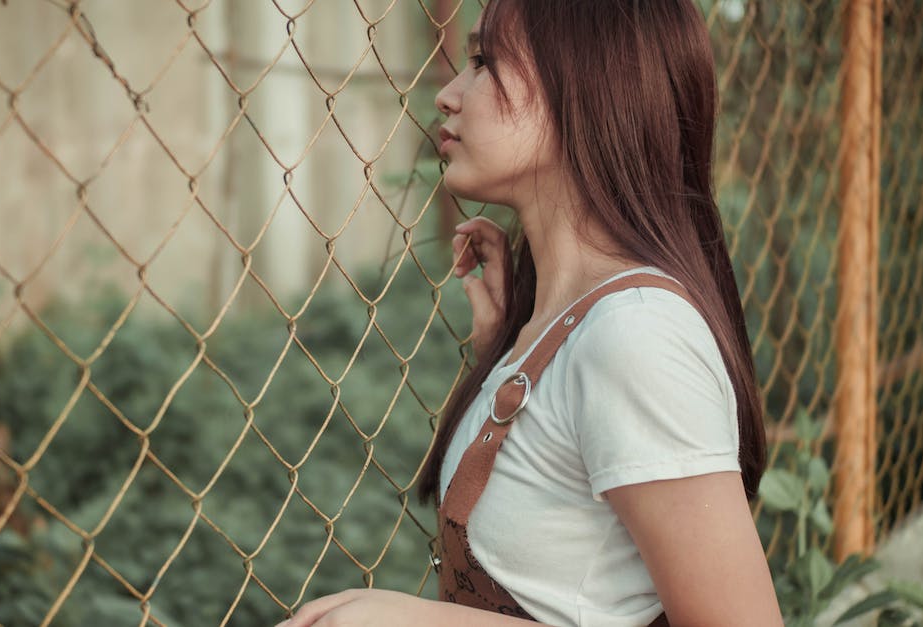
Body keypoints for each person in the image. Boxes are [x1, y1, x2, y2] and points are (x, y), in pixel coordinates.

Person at [278, 1, 784, 625]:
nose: (448, 95)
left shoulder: (637, 336)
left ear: (588, 86)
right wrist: (504, 346)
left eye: (484, 62)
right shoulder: (569, 328)